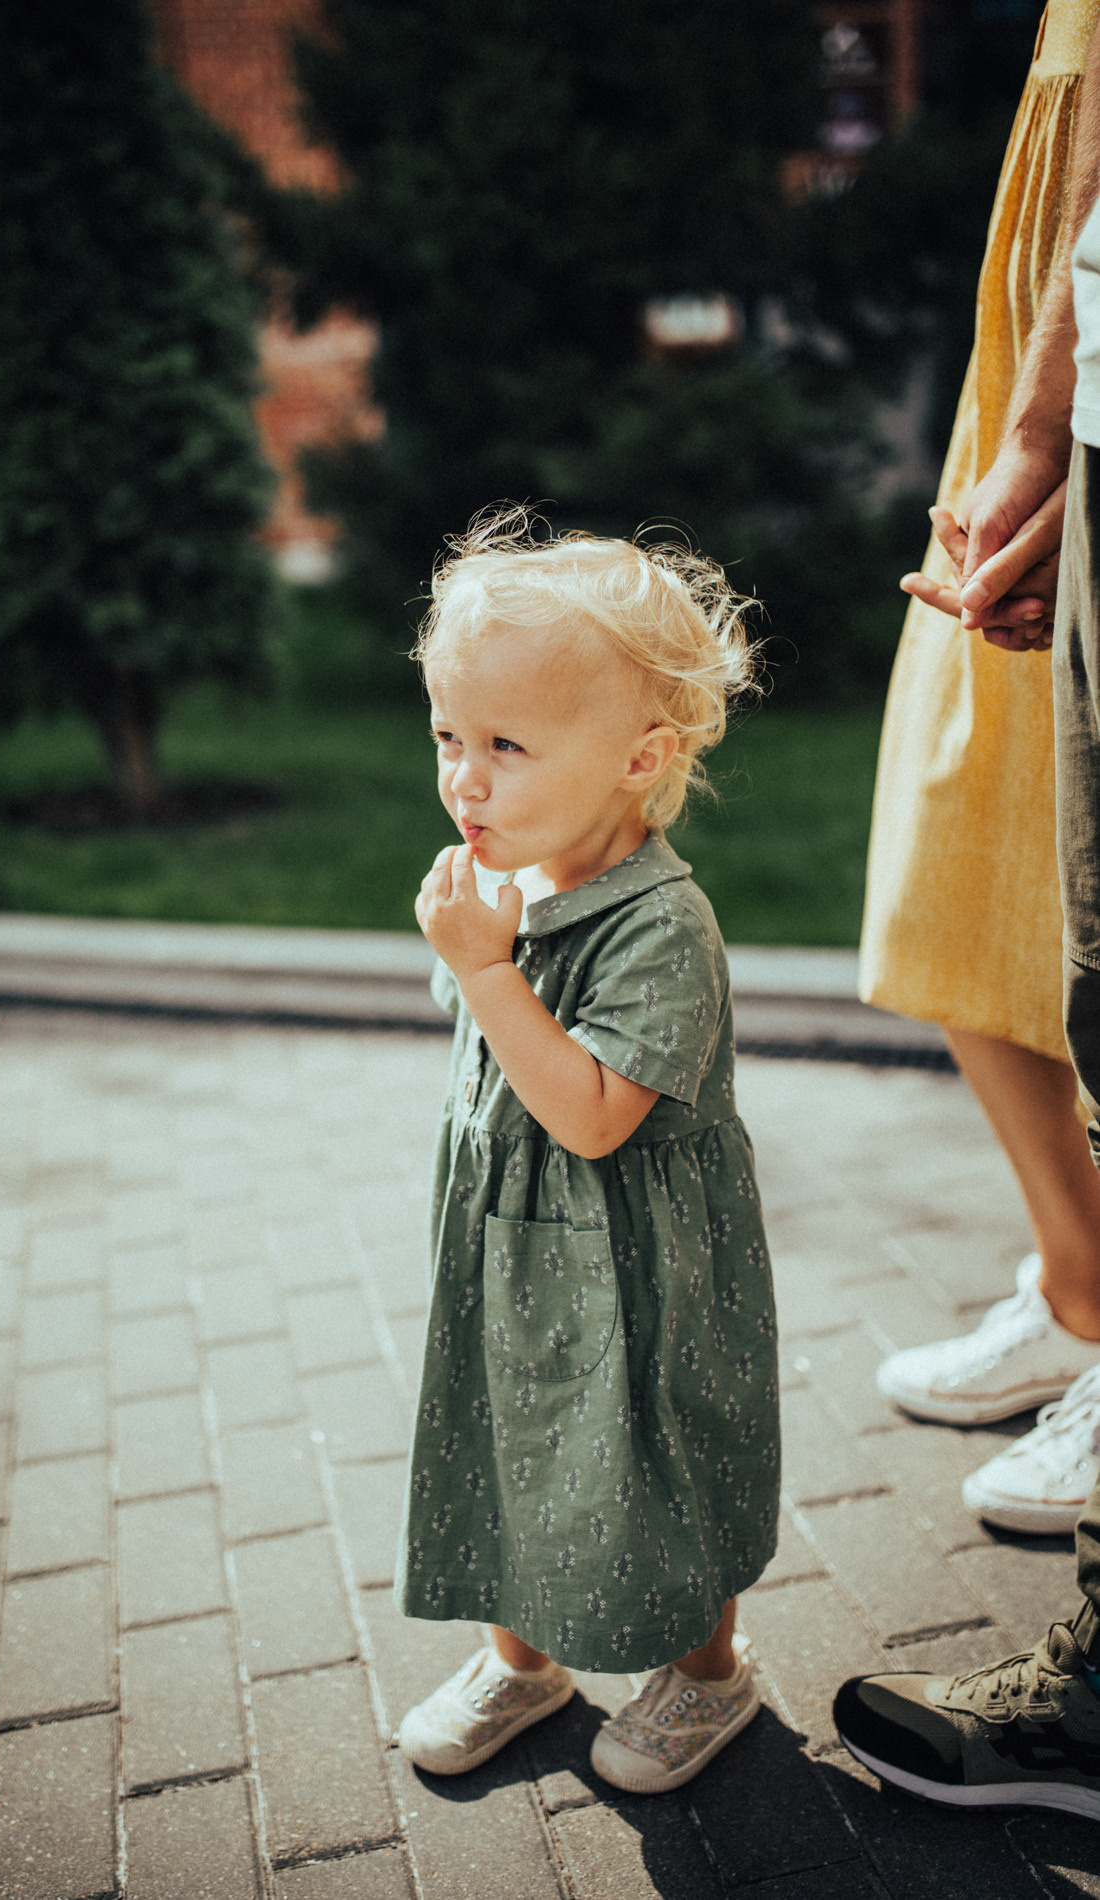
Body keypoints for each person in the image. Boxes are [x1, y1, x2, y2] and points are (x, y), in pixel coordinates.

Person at [392, 517, 780, 1794]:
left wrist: (485, 971)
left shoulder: (661, 925)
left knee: (662, 1449)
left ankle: (706, 1672)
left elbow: (594, 1116)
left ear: (639, 758)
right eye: (448, 737)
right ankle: (522, 1657)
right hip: (511, 1250)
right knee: (504, 1432)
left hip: (640, 1265)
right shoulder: (515, 889)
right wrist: (485, 956)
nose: (464, 779)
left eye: (505, 746)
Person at [832, 15, 1100, 1815]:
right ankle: (1083, 1285)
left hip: (1076, 371)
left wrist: (1052, 422)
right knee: (973, 859)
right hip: (1068, 336)